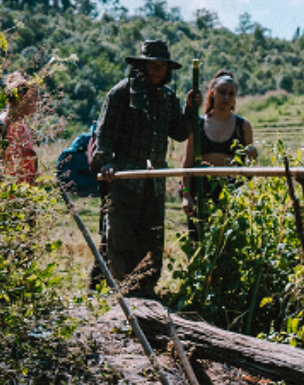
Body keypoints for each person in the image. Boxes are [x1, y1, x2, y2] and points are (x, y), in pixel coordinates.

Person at [92, 40, 199, 297]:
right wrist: (105, 163)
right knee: (120, 237)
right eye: (152, 66)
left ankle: (146, 291)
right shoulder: (121, 93)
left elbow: (181, 132)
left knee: (151, 237)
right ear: (142, 66)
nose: (156, 71)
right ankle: (121, 291)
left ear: (167, 70)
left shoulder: (167, 98)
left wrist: (190, 109)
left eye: (161, 67)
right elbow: (103, 134)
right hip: (125, 179)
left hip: (154, 182)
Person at [182, 69, 256, 238]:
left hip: (231, 195)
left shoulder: (243, 126)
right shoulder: (198, 124)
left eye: (231, 94)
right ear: (212, 93)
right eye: (222, 92)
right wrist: (186, 195)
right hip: (200, 192)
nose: (226, 98)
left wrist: (253, 157)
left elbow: (250, 169)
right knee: (198, 244)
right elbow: (187, 162)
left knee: (229, 245)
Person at [0, 72, 40, 185]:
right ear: (21, 98)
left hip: (23, 199)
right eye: (33, 101)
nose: (36, 105)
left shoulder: (24, 129)